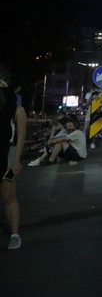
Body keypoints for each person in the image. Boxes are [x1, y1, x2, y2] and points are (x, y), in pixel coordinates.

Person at [2, 77, 26, 250]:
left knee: (9, 197)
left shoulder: (18, 111)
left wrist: (16, 160)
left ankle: (15, 234)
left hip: (7, 155)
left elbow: (20, 139)